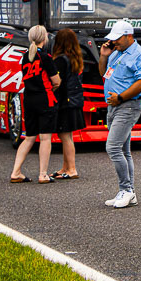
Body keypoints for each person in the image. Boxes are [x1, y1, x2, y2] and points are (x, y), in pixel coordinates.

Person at [97, 19, 141, 208]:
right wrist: (103, 56)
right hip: (114, 106)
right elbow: (104, 74)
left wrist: (120, 97)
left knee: (113, 147)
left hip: (127, 106)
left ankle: (126, 190)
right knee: (124, 151)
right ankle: (129, 192)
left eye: (117, 38)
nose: (114, 42)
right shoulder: (115, 53)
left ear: (129, 36)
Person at [9, 26, 61, 183]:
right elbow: (56, 81)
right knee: (45, 138)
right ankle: (43, 174)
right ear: (45, 38)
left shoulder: (25, 57)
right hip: (45, 99)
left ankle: (16, 172)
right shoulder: (45, 57)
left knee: (29, 137)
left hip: (29, 99)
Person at [49, 28, 86, 180]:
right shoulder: (75, 59)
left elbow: (57, 82)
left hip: (64, 101)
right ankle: (65, 167)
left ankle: (71, 169)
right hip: (74, 100)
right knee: (67, 135)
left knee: (65, 135)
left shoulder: (60, 60)